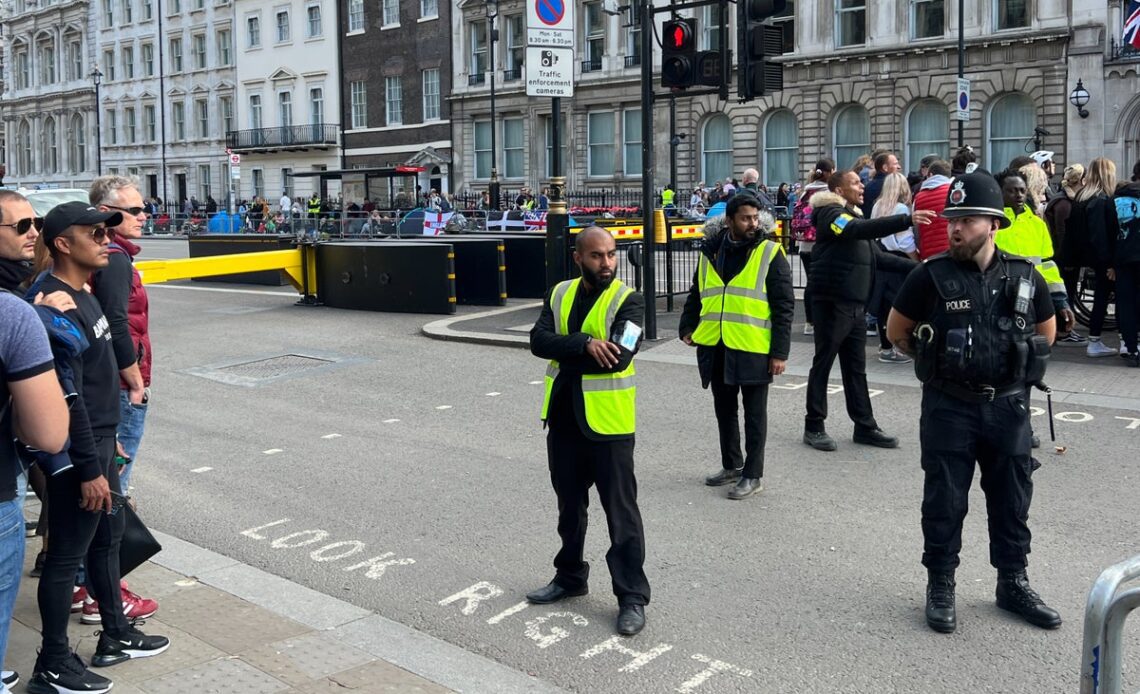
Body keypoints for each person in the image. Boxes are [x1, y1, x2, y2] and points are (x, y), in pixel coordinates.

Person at [886, 170, 1062, 635]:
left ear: (994, 224)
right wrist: (937, 361)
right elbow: (897, 332)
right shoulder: (929, 275)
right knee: (944, 499)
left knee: (1011, 499)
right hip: (950, 405)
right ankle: (941, 583)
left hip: (1008, 407)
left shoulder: (1025, 275)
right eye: (952, 219)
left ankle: (1013, 582)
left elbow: (1046, 335)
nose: (955, 228)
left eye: (966, 219)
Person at [29, 202, 170, 694]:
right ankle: (51, 663)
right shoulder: (50, 302)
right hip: (78, 455)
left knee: (106, 541)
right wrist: (90, 467)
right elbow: (69, 401)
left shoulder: (81, 294)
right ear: (63, 244)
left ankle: (115, 633)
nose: (105, 238)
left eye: (106, 230)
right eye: (94, 232)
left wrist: (110, 453)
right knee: (68, 555)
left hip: (102, 445)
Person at [527, 226, 650, 636]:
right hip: (563, 421)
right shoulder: (559, 293)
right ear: (579, 258)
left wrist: (570, 348)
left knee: (622, 517)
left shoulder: (629, 301)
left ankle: (632, 597)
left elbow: (617, 357)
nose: (607, 263)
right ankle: (570, 577)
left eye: (612, 255)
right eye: (597, 256)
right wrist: (582, 343)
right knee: (569, 509)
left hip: (609, 428)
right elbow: (538, 341)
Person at [802, 170, 931, 452]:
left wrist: (923, 269)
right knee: (823, 363)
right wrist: (905, 219)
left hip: (855, 305)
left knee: (855, 369)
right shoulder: (831, 214)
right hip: (832, 302)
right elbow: (853, 231)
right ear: (838, 188)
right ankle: (814, 425)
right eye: (856, 183)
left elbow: (879, 257)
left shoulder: (853, 216)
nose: (863, 186)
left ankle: (864, 425)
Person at [0, 191, 71, 692]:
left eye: (37, 222)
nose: (34, 232)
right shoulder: (14, 316)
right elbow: (48, 433)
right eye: (22, 223)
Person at [678, 195, 795, 499]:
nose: (752, 224)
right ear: (729, 221)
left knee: (755, 415)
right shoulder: (711, 251)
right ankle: (732, 464)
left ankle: (753, 475)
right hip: (716, 343)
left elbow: (784, 305)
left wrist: (780, 353)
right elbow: (697, 291)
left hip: (754, 345)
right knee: (724, 409)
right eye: (745, 218)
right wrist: (687, 325)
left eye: (756, 217)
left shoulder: (770, 251)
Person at [1064, 158, 1119, 358]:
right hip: (1101, 258)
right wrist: (1110, 262)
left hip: (1086, 256)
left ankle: (1097, 341)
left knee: (1101, 299)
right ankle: (1100, 341)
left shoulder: (1081, 198)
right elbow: (1099, 234)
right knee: (1109, 298)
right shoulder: (1100, 199)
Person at [869, 172, 919, 365]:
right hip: (898, 258)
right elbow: (905, 240)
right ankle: (897, 348)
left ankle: (886, 346)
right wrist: (916, 259)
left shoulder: (877, 206)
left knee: (883, 303)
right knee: (898, 303)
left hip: (880, 255)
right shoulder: (901, 208)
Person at [1043, 164, 1087, 346]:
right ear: (1080, 180)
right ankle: (1063, 330)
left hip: (1064, 256)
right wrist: (1067, 258)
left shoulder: (1065, 199)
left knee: (1067, 291)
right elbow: (1062, 234)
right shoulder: (1064, 203)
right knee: (1065, 293)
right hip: (1063, 258)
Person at [791, 159, 836, 337]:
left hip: (805, 245)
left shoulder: (805, 192)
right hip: (823, 244)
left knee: (810, 283)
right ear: (829, 172)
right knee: (826, 284)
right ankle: (824, 320)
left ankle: (809, 323)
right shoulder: (828, 193)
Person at [1113, 174, 1140, 365]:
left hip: (1122, 259)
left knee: (1126, 304)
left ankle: (1131, 348)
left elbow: (1109, 231)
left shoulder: (1115, 200)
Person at [913, 160, 953, 260]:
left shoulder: (918, 197)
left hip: (929, 255)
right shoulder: (954, 192)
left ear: (930, 174)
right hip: (953, 251)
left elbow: (916, 230)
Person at [861, 151, 900, 217]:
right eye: (895, 164)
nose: (899, 167)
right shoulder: (891, 186)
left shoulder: (869, 186)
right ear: (885, 167)